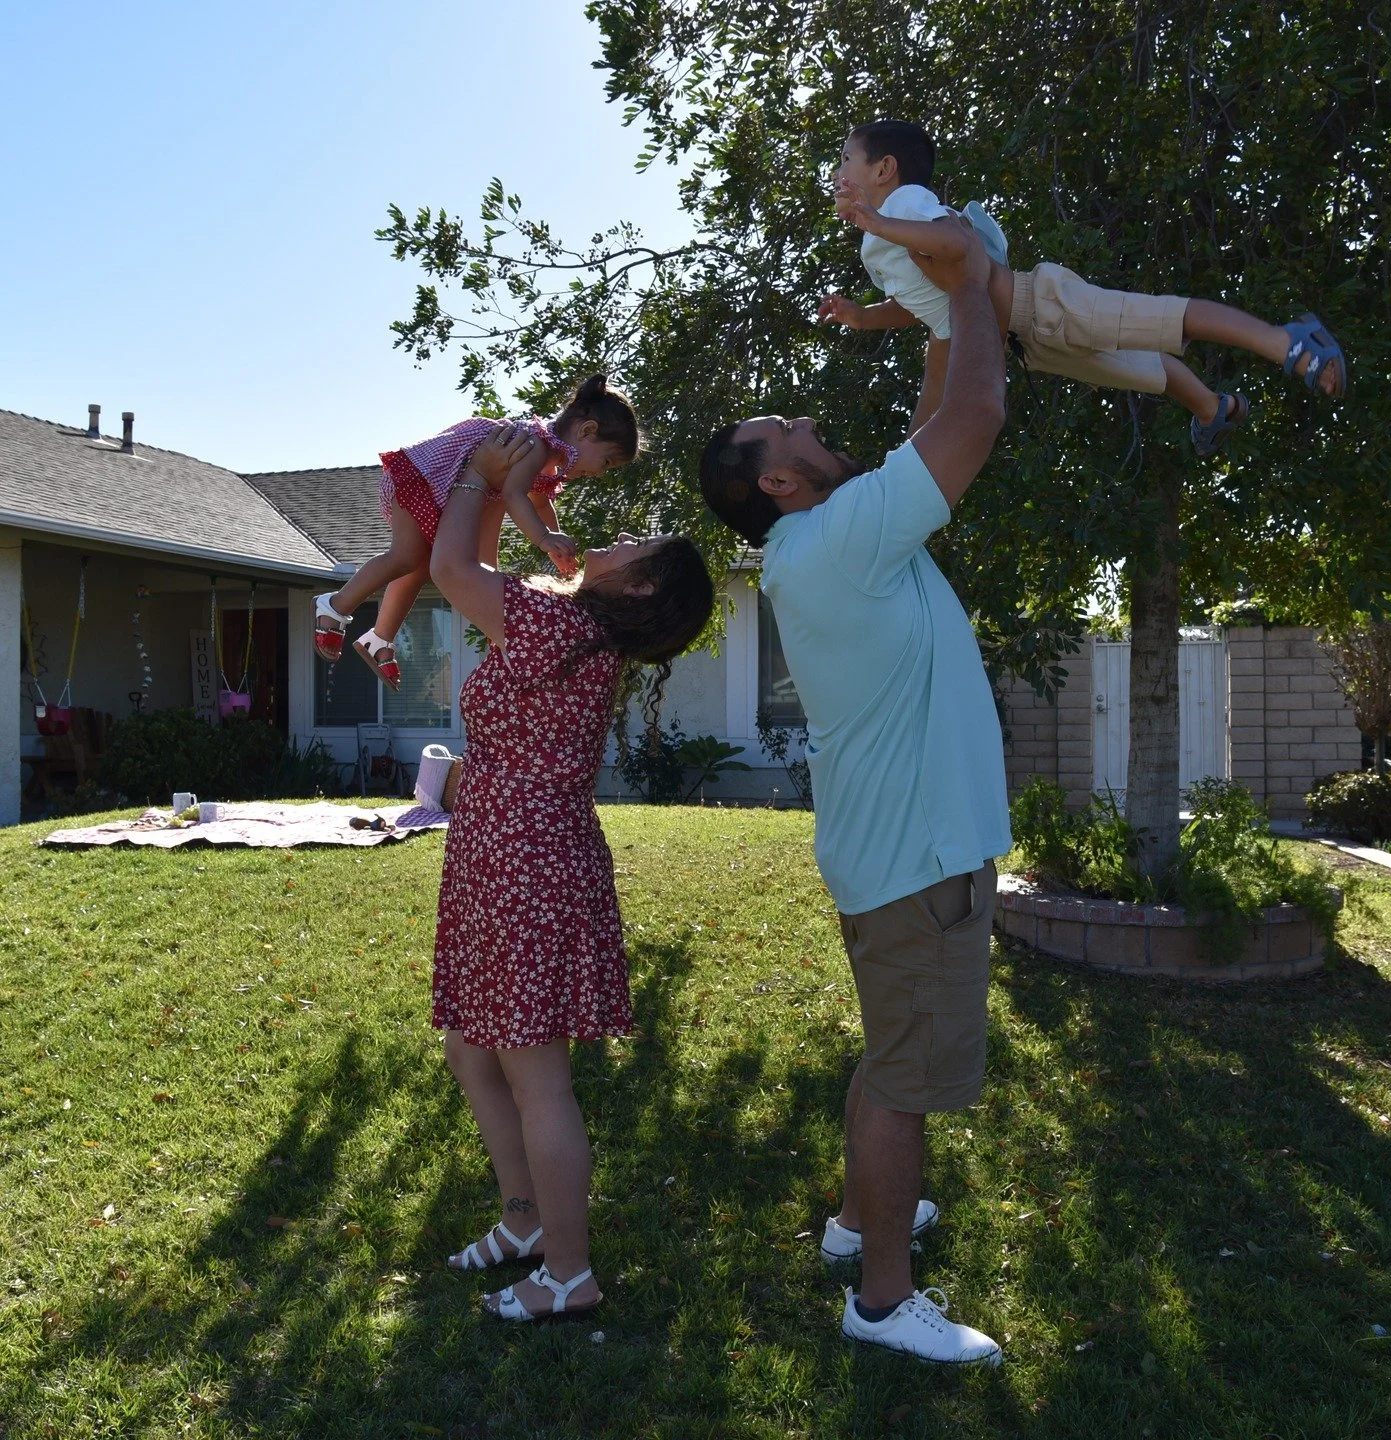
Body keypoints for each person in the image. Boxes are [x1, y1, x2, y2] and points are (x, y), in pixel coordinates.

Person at [700, 215, 1010, 1364]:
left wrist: (934, 312)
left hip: (895, 854)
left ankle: (853, 1223)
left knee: (888, 1057)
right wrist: (969, 279)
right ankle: (882, 1301)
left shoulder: (831, 534)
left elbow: (933, 417)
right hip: (918, 863)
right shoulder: (837, 542)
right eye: (788, 430)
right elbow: (973, 418)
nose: (807, 420)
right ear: (780, 481)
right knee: (902, 1081)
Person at [428, 424, 713, 1323]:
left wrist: (475, 472)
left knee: (535, 1077)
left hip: (524, 861)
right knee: (472, 1049)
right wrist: (494, 493)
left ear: (642, 585)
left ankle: (568, 1271)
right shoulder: (573, 627)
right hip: (508, 854)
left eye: (637, 544)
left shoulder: (560, 623)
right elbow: (478, 569)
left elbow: (450, 570)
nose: (618, 537)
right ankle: (524, 1221)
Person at [819, 119, 1347, 451]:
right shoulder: (879, 242)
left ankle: (1286, 340)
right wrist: (861, 316)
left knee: (1161, 319)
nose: (838, 169)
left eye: (845, 159)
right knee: (1135, 367)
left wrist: (877, 221)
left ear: (885, 169)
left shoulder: (904, 204)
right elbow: (920, 305)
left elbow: (957, 245)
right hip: (1028, 341)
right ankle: (1214, 408)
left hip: (1041, 302)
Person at [313, 375, 641, 690]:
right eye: (607, 462)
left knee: (419, 565)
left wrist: (556, 544)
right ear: (587, 431)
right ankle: (335, 605)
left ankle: (380, 639)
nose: (601, 473)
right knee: (406, 555)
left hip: (444, 493)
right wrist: (543, 539)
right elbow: (514, 495)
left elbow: (540, 504)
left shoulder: (548, 461)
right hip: (424, 480)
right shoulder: (535, 445)